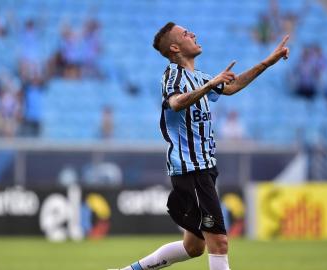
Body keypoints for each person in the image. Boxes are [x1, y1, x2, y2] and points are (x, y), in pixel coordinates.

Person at [120, 22, 289, 270]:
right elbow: (176, 103)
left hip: (205, 169)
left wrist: (267, 62)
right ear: (175, 47)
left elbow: (231, 86)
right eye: (186, 33)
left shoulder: (199, 77)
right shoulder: (173, 75)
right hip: (191, 170)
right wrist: (210, 86)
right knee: (219, 242)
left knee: (194, 246)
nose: (194, 34)